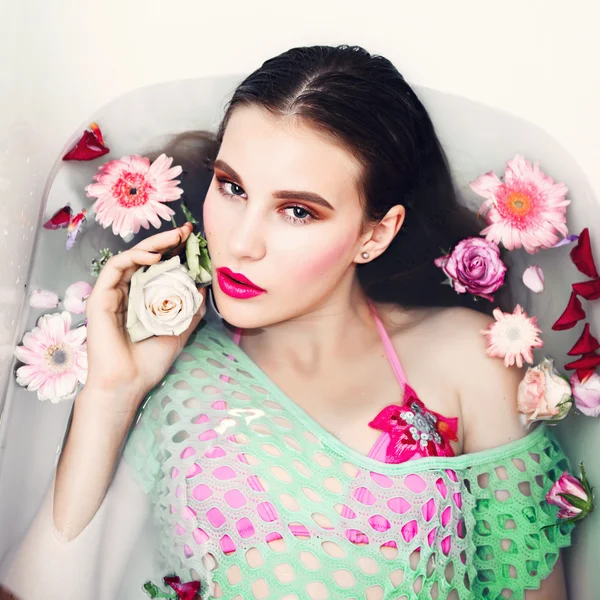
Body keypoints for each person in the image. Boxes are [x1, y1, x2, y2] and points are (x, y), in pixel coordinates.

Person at [1, 45, 574, 600]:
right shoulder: (179, 383)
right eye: (232, 187)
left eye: (297, 211)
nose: (242, 243)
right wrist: (111, 392)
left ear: (375, 234)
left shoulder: (464, 360)